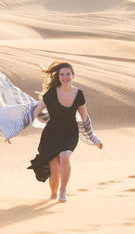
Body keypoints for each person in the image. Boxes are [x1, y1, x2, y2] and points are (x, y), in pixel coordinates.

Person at [28, 61, 102, 202]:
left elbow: (85, 119)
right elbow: (34, 113)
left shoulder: (78, 94)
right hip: (51, 136)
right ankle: (54, 194)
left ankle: (63, 191)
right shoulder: (51, 94)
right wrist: (13, 129)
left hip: (70, 134)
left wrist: (94, 139)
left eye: (68, 74)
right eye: (62, 74)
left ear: (73, 76)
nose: (65, 77)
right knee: (55, 173)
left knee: (64, 156)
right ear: (59, 77)